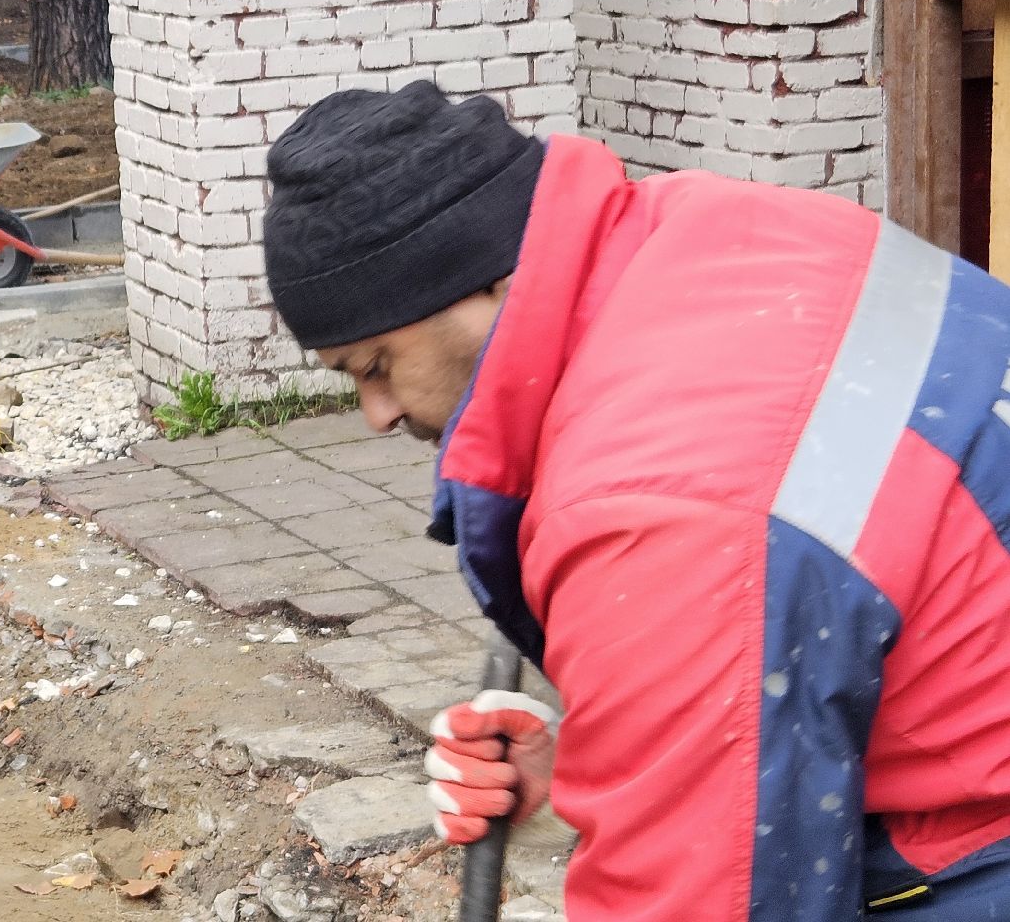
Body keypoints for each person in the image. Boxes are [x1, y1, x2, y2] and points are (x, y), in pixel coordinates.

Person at [262, 80, 1010, 921]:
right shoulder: (714, 226)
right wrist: (620, 762)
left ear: (482, 283)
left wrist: (669, 763)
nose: (377, 415)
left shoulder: (655, 509)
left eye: (373, 367)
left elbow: (713, 898)